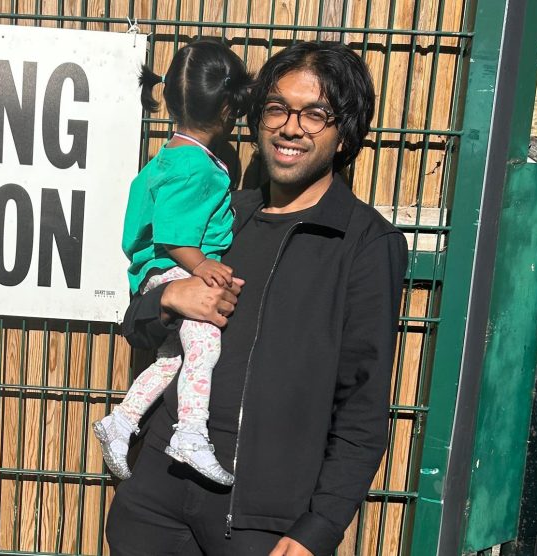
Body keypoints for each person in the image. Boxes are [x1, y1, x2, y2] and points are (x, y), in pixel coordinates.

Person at [105, 41, 408, 556]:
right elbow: (138, 324)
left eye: (315, 114)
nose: (291, 127)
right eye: (276, 108)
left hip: (259, 526)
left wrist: (319, 528)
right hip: (155, 505)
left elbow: (362, 407)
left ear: (343, 134)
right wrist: (170, 298)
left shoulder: (364, 244)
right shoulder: (225, 214)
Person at [92, 40, 254, 487]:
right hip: (176, 270)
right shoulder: (195, 168)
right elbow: (172, 233)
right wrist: (199, 265)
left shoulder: (163, 162)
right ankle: (191, 435)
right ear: (227, 109)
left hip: (153, 274)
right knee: (206, 346)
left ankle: (121, 422)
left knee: (170, 360)